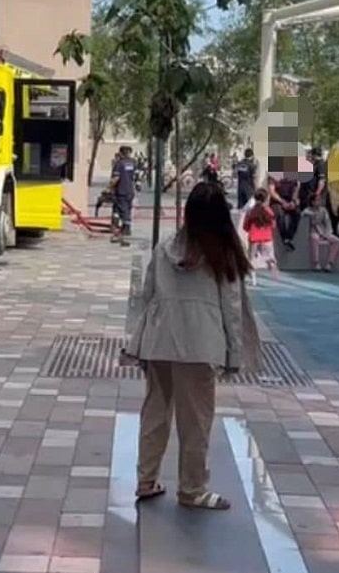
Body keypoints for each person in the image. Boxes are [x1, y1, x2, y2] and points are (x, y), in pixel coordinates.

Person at [127, 181, 261, 510]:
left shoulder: (164, 248)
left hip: (159, 341)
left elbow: (145, 296)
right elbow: (231, 309)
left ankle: (146, 480)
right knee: (196, 421)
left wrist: (136, 341)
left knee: (155, 412)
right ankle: (192, 489)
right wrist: (233, 353)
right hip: (201, 345)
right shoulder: (223, 255)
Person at [243, 189, 280, 285]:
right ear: (266, 198)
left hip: (254, 237)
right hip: (266, 237)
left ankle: (253, 279)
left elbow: (245, 226)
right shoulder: (269, 211)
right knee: (270, 257)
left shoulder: (251, 211)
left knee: (251, 260)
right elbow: (273, 225)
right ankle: (275, 277)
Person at [307, 191, 339, 272]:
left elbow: (327, 222)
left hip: (324, 231)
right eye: (317, 200)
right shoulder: (308, 210)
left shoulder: (323, 210)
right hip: (314, 231)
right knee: (314, 239)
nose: (319, 202)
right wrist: (312, 214)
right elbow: (304, 214)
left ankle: (330, 264)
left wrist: (327, 233)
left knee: (337, 241)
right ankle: (316, 263)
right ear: (312, 202)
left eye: (320, 200)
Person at [110, 146, 137, 245]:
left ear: (121, 153)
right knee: (118, 209)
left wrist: (109, 187)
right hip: (130, 191)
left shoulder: (119, 164)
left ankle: (126, 228)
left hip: (121, 190)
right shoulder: (132, 163)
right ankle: (116, 227)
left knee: (123, 209)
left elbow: (116, 178)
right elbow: (136, 177)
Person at [268, 173, 301, 250]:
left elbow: (296, 190)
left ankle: (290, 237)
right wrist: (282, 202)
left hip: (289, 200)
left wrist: (293, 201)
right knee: (280, 214)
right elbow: (272, 192)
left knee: (297, 213)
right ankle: (285, 238)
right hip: (277, 201)